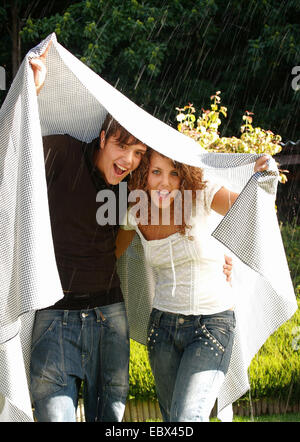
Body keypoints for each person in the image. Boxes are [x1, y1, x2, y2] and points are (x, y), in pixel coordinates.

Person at [29, 43, 148, 422]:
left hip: (109, 316)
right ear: (102, 138)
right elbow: (15, 151)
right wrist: (32, 92)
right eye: (122, 146)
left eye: (139, 153)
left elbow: (184, 191)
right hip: (53, 316)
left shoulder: (130, 188)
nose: (129, 161)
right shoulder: (62, 152)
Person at [116, 148, 269, 422]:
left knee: (187, 418)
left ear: (184, 175)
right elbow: (109, 255)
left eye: (174, 173)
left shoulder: (201, 194)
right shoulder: (135, 212)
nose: (165, 182)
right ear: (144, 175)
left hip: (212, 325)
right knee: (173, 419)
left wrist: (263, 176)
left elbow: (249, 211)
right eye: (156, 172)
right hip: (161, 329)